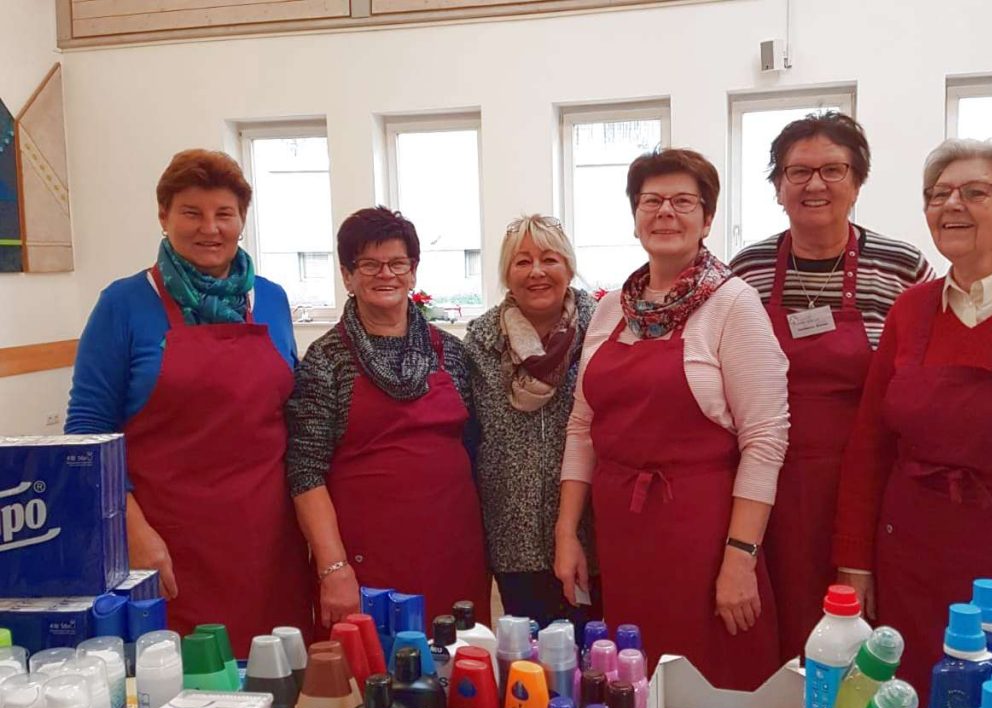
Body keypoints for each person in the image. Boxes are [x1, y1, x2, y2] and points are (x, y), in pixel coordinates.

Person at [554, 148, 790, 688]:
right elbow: (582, 426)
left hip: (702, 531)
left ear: (707, 220)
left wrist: (740, 558)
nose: (665, 212)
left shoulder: (733, 304)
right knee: (634, 675)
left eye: (684, 201)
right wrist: (567, 531)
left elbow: (765, 440)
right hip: (622, 531)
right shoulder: (612, 307)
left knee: (709, 676)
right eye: (651, 201)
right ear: (635, 217)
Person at [66, 149, 311, 651]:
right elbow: (88, 434)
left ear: (242, 220)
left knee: (277, 675)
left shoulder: (271, 298)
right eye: (191, 213)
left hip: (269, 544)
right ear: (164, 216)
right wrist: (132, 532)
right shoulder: (124, 304)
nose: (210, 228)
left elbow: (292, 412)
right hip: (168, 546)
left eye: (224, 213)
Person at [731, 113, 932, 661]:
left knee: (865, 635)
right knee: (776, 627)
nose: (814, 184)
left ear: (858, 182)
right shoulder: (746, 270)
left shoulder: (902, 267)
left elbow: (924, 380)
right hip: (767, 486)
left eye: (832, 170)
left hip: (872, 483)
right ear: (778, 187)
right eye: (798, 171)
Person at [834, 139, 992, 707]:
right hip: (910, 555)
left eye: (975, 192)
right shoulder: (912, 308)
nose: (950, 205)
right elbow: (869, 445)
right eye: (937, 195)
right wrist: (854, 562)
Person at [287, 206, 489, 631]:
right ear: (347, 276)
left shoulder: (451, 352)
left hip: (454, 552)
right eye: (369, 264)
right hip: (366, 562)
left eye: (398, 263)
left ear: (413, 272)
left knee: (461, 663)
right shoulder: (326, 359)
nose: (386, 275)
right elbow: (305, 472)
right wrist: (333, 566)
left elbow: (473, 446)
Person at [462, 215, 598, 637]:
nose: (537, 271)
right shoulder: (479, 342)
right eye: (522, 262)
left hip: (593, 528)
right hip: (512, 532)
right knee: (528, 654)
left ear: (569, 267)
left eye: (549, 259)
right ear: (507, 274)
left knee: (596, 648)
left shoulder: (602, 331)